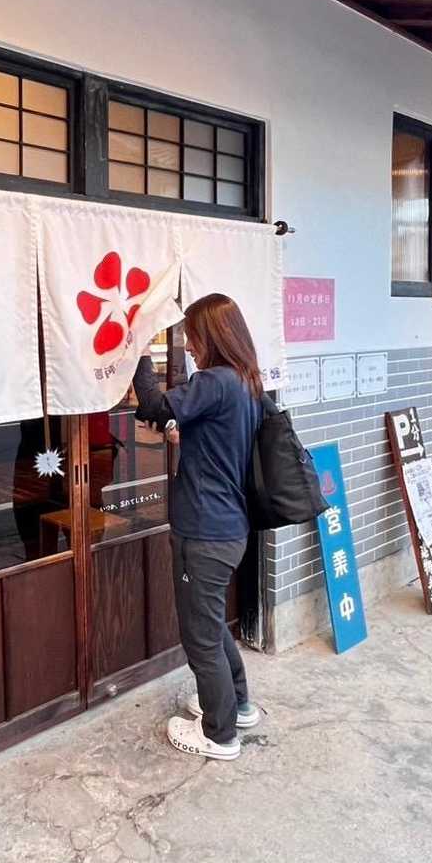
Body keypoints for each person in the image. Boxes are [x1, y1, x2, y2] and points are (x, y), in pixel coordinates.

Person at [133, 293, 264, 761]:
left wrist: (137, 347)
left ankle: (219, 733)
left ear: (213, 336)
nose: (188, 345)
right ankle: (237, 705)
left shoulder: (214, 381)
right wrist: (184, 433)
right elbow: (220, 441)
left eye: (192, 336)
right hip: (230, 526)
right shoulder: (247, 382)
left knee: (200, 636)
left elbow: (153, 405)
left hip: (204, 531)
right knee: (211, 623)